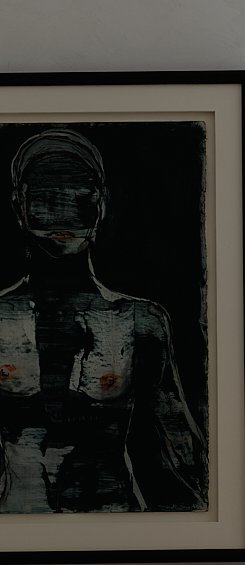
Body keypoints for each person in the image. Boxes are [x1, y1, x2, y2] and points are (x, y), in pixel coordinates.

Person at [0, 126, 206, 514]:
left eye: (78, 195)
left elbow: (181, 451)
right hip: (15, 528)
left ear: (101, 203)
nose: (62, 209)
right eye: (45, 197)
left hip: (111, 519)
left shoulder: (138, 321)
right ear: (19, 205)